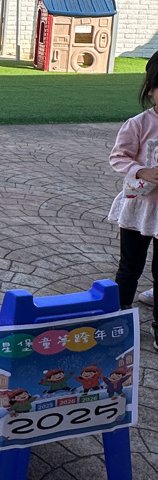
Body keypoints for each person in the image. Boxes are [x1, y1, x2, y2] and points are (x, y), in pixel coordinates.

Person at [108, 52, 158, 348]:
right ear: (150, 89)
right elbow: (118, 156)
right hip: (139, 206)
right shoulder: (138, 124)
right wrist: (142, 170)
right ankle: (119, 314)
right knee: (129, 267)